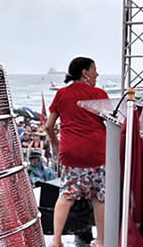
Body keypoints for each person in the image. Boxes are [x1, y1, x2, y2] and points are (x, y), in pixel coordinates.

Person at [45, 57, 109, 247]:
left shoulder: (62, 94)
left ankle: (56, 241)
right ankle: (102, 240)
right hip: (96, 151)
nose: (97, 74)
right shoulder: (99, 94)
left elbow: (49, 126)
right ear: (85, 72)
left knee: (66, 195)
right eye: (94, 69)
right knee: (98, 196)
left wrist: (57, 145)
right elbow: (112, 122)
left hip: (71, 151)